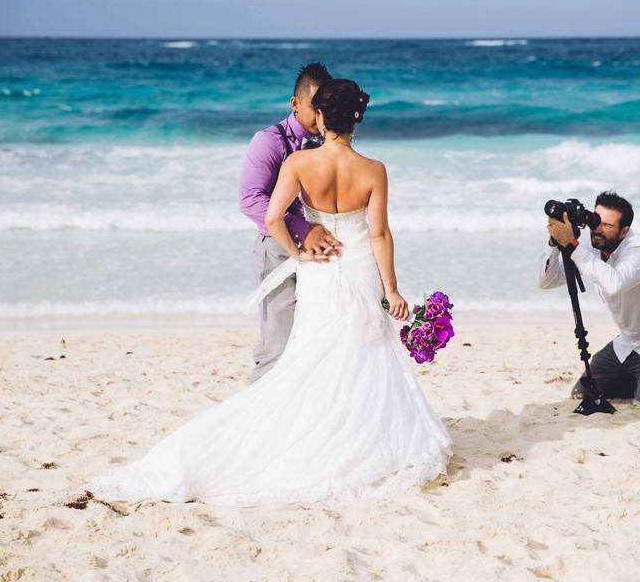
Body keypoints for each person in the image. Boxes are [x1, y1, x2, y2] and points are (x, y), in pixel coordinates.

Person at [91, 79, 451, 506]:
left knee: (312, 352)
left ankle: (314, 435)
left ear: (319, 116)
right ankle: (351, 438)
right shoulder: (374, 169)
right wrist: (392, 289)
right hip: (358, 267)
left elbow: (273, 215)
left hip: (319, 269)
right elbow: (379, 235)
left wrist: (298, 254)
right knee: (358, 350)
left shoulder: (299, 163)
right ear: (357, 117)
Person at [542, 192, 640, 412]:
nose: (597, 229)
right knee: (582, 392)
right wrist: (554, 242)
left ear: (624, 231)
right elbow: (548, 281)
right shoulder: (590, 248)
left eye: (607, 225)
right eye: (595, 220)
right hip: (631, 340)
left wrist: (571, 243)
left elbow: (614, 282)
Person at [239, 62, 342, 383]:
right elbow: (250, 200)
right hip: (278, 251)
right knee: (277, 344)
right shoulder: (268, 141)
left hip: (324, 254)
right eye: (314, 107)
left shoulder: (330, 143)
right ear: (295, 104)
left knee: (320, 341)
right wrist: (304, 230)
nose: (319, 116)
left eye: (325, 108)